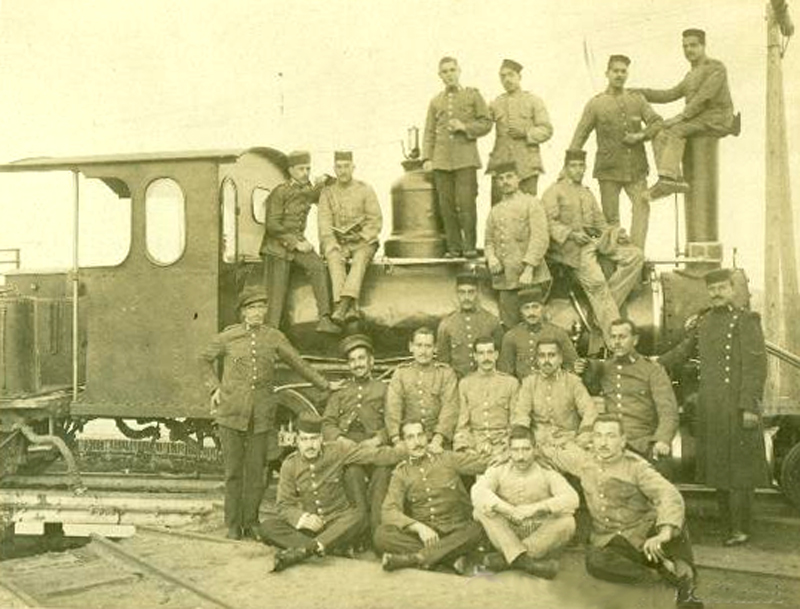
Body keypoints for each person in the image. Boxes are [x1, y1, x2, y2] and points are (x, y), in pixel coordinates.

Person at [200, 287, 337, 540]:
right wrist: (214, 388)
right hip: (231, 413)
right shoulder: (228, 337)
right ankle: (232, 524)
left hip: (261, 415)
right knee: (233, 472)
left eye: (261, 307)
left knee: (256, 472)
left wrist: (325, 385)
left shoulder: (273, 337)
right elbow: (204, 359)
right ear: (242, 312)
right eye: (251, 308)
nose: (257, 312)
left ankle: (250, 521)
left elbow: (298, 362)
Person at [658, 269, 768, 546]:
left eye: (722, 288)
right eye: (713, 289)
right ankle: (728, 526)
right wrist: (651, 363)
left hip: (738, 405)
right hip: (712, 407)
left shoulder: (746, 321)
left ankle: (742, 528)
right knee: (719, 468)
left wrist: (749, 407)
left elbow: (756, 367)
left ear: (733, 289)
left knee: (740, 471)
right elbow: (682, 352)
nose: (717, 293)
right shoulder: (703, 323)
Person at [558, 415, 703, 609]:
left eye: (610, 436)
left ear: (623, 440)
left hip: (643, 534)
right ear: (591, 440)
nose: (603, 442)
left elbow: (669, 494)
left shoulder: (636, 467)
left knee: (676, 526)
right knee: (595, 562)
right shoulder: (582, 462)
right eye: (599, 436)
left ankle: (685, 588)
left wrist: (663, 534)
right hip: (610, 539)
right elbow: (548, 451)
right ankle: (657, 574)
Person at [259, 413, 405, 572]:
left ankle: (306, 549)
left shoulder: (338, 450)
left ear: (321, 438)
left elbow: (376, 455)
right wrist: (301, 518)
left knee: (359, 516)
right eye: (305, 439)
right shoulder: (290, 465)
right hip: (311, 528)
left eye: (314, 438)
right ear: (297, 441)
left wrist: (405, 450)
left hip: (340, 523)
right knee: (267, 527)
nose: (310, 445)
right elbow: (284, 504)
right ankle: (321, 547)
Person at [542, 149, 644, 345]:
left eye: (581, 166)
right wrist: (571, 233)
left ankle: (602, 310)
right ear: (565, 167)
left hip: (593, 244)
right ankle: (615, 343)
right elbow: (548, 222)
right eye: (573, 166)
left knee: (636, 256)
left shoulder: (587, 193)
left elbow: (600, 223)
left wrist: (615, 235)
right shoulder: (554, 191)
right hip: (570, 250)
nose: (578, 170)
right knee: (597, 285)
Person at [569, 54, 663, 248]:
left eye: (623, 71)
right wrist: (568, 169)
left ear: (627, 74)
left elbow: (656, 122)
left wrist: (640, 136)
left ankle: (637, 256)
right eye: (615, 71)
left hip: (636, 169)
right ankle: (616, 258)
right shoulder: (596, 103)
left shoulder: (637, 100)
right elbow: (579, 136)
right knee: (611, 220)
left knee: (642, 210)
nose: (619, 75)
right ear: (607, 73)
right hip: (608, 170)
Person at [375, 420, 488, 573]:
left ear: (427, 437)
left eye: (420, 435)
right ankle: (449, 557)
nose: (417, 442)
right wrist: (419, 528)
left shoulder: (447, 458)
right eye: (410, 437)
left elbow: (484, 463)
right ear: (403, 443)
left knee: (477, 528)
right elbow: (389, 511)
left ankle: (417, 558)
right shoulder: (401, 473)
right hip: (427, 535)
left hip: (456, 528)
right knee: (382, 535)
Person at [638, 29, 736, 201]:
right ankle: (673, 179)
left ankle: (668, 178)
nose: (689, 50)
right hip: (698, 120)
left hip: (717, 118)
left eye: (693, 45)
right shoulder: (690, 76)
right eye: (685, 46)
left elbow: (703, 97)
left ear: (703, 46)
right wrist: (638, 92)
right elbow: (669, 94)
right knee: (658, 130)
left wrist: (680, 117)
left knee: (675, 130)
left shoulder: (716, 68)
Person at [471, 426, 579, 579]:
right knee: (480, 510)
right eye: (515, 450)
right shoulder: (498, 469)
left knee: (568, 522)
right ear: (508, 450)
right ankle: (528, 563)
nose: (520, 456)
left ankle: (509, 558)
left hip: (535, 529)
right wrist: (508, 509)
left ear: (535, 449)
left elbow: (572, 498)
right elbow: (477, 491)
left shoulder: (546, 471)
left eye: (526, 449)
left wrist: (536, 508)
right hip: (506, 529)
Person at [582, 318, 679, 472]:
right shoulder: (605, 368)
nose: (617, 342)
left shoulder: (652, 370)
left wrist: (662, 440)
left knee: (660, 475)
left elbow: (668, 411)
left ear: (635, 340)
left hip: (642, 443)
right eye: (613, 337)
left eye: (622, 337)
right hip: (612, 444)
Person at [260, 150, 339, 333]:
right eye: (301, 169)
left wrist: (326, 178)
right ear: (291, 170)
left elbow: (328, 188)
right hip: (277, 247)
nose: (306, 173)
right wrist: (296, 243)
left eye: (308, 169)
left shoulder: (306, 190)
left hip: (297, 244)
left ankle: (324, 318)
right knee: (276, 296)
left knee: (318, 266)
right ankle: (271, 334)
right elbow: (272, 225)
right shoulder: (280, 192)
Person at [321, 334, 391, 539]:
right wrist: (340, 439)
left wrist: (378, 439)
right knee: (353, 474)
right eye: (352, 360)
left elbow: (393, 423)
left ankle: (376, 532)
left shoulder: (384, 389)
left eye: (361, 358)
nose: (357, 364)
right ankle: (357, 532)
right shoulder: (341, 391)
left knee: (382, 474)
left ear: (371, 361)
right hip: (348, 447)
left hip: (374, 446)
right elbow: (327, 422)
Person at [422, 56, 492, 258]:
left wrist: (465, 127)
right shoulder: (435, 101)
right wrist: (427, 158)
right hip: (441, 161)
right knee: (447, 206)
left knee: (466, 204)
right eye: (444, 71)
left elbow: (486, 123)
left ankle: (469, 246)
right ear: (440, 76)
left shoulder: (472, 95)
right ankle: (453, 248)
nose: (449, 74)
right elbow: (429, 132)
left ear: (459, 71)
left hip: (465, 159)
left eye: (452, 70)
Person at [510, 340, 598, 477]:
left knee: (590, 470)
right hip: (539, 446)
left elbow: (589, 412)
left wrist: (583, 438)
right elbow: (521, 414)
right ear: (537, 360)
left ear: (560, 358)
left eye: (551, 355)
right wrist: (524, 441)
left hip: (567, 444)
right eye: (542, 356)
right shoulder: (529, 383)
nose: (546, 360)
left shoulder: (573, 382)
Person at [318, 151, 383, 324]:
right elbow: (324, 224)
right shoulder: (327, 193)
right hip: (339, 242)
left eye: (346, 166)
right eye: (339, 167)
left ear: (353, 167)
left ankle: (342, 306)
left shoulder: (365, 189)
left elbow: (375, 220)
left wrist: (361, 236)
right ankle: (350, 306)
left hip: (363, 242)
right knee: (333, 257)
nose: (343, 171)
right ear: (334, 169)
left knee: (360, 259)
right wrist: (331, 243)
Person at [484, 161, 551, 329]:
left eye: (509, 177)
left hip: (530, 279)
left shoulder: (532, 204)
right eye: (500, 179)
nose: (505, 181)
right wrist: (491, 258)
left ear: (518, 178)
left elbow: (540, 237)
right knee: (510, 328)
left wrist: (529, 269)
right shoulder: (495, 211)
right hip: (506, 280)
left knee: (535, 326)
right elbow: (488, 241)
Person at [487, 58, 553, 204]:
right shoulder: (495, 103)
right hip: (501, 168)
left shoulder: (534, 101)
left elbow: (547, 130)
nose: (507, 79)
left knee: (528, 209)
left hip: (526, 168)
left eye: (510, 75)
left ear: (519, 77)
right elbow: (482, 123)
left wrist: (526, 133)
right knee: (499, 212)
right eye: (502, 76)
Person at [385, 327, 459, 450]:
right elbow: (392, 408)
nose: (423, 351)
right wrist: (397, 440)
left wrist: (437, 440)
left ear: (435, 348)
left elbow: (450, 409)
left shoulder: (445, 373)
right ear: (411, 347)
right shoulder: (401, 373)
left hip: (436, 440)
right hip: (407, 440)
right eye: (419, 345)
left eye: (428, 346)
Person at [453, 336, 519, 459]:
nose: (486, 358)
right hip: (474, 445)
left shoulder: (511, 383)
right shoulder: (465, 384)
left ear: (496, 355)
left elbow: (515, 422)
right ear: (475, 356)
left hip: (503, 446)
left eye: (489, 352)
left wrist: (503, 447)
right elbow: (462, 424)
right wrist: (470, 447)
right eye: (481, 353)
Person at [498, 286, 578, 380]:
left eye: (535, 307)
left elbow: (573, 368)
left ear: (543, 308)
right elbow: (505, 374)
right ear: (520, 311)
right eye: (526, 308)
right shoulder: (511, 336)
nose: (531, 312)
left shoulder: (558, 334)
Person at [436, 272, 504, 378]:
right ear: (457, 294)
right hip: (458, 381)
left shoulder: (491, 321)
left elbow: (500, 357)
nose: (466, 297)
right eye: (462, 292)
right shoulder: (447, 324)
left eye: (471, 292)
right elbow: (443, 363)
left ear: (477, 293)